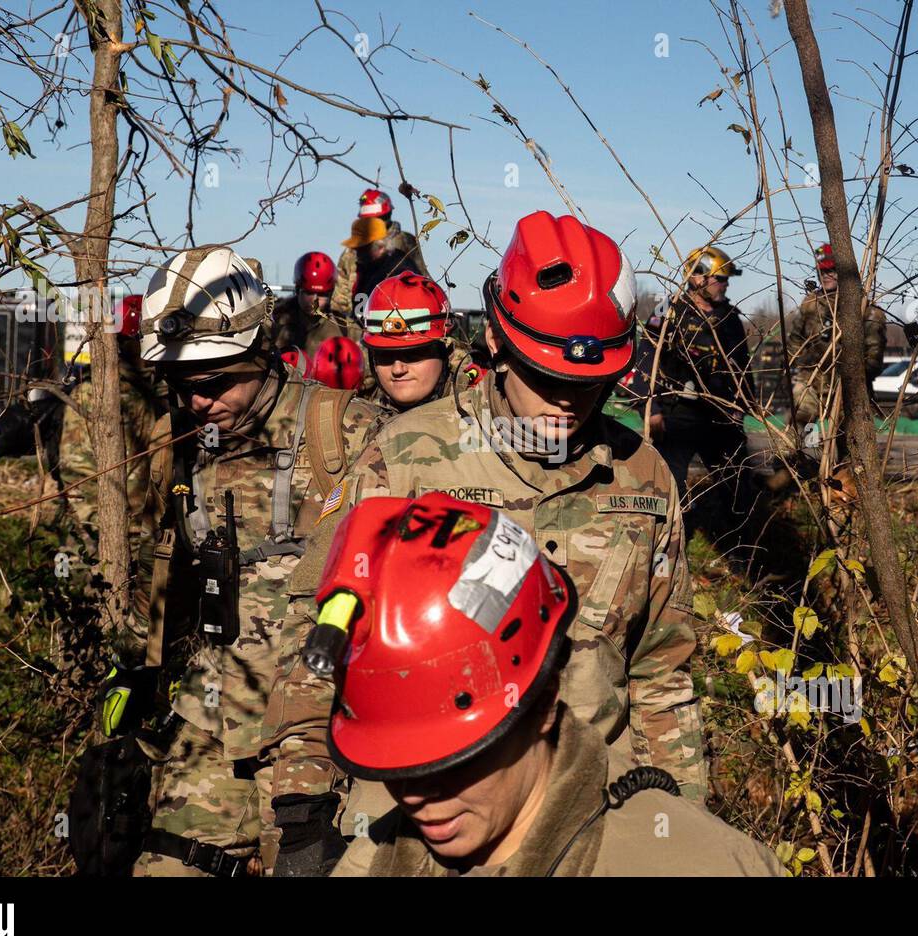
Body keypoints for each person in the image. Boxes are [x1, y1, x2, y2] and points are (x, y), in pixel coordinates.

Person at [264, 212, 708, 846]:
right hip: (420, 815)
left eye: (591, 384)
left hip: (589, 819)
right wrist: (305, 808)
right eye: (547, 377)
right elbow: (318, 633)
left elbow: (662, 668)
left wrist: (679, 818)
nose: (567, 402)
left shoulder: (644, 478)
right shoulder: (404, 458)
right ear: (496, 342)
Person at [300, 492, 782, 877]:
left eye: (456, 757)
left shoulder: (690, 863)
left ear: (545, 703)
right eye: (397, 766)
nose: (416, 796)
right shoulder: (374, 861)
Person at [112, 245, 382, 876]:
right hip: (210, 727)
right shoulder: (178, 443)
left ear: (263, 352)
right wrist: (145, 676)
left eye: (213, 383)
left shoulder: (347, 434)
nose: (197, 403)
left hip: (325, 741)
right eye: (179, 386)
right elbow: (169, 568)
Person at [636, 245, 757, 542]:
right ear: (698, 278)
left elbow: (740, 364)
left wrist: (743, 404)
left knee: (739, 481)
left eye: (727, 279)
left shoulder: (729, 317)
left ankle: (743, 546)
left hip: (718, 415)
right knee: (669, 484)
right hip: (676, 414)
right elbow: (645, 360)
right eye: (720, 279)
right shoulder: (670, 310)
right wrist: (649, 409)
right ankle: (669, 544)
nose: (725, 285)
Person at [58, 293, 168, 551]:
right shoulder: (96, 394)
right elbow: (78, 475)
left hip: (152, 538)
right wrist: (111, 534)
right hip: (105, 542)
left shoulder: (163, 391)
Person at [785, 242, 887, 435]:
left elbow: (874, 356)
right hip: (812, 382)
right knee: (797, 427)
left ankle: (841, 464)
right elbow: (795, 341)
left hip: (848, 389)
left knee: (847, 443)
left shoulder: (866, 308)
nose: (825, 275)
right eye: (821, 271)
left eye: (831, 270)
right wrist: (796, 368)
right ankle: (792, 463)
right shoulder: (810, 303)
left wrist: (854, 379)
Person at [362, 271, 484, 413]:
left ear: (446, 352)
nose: (398, 370)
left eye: (414, 354)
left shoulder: (482, 416)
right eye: (385, 356)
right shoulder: (359, 420)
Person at [331, 189, 428, 319]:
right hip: (359, 320)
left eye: (376, 220)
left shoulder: (405, 243)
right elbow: (341, 296)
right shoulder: (350, 252)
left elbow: (421, 279)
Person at [272, 251, 361, 358]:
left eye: (322, 294)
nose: (315, 300)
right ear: (297, 289)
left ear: (331, 293)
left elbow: (367, 371)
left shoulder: (347, 330)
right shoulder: (275, 323)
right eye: (309, 292)